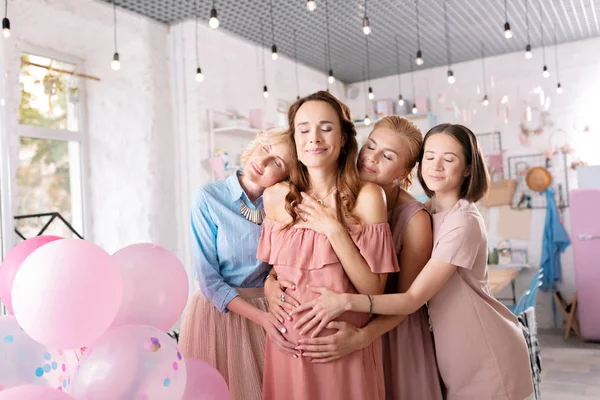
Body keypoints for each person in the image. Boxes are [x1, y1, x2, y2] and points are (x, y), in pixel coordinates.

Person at [292, 123, 534, 400]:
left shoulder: (457, 221)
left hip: (481, 348)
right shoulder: (429, 210)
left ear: (468, 168)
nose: (436, 166)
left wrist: (346, 304)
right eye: (430, 157)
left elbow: (412, 298)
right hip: (447, 344)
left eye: (449, 159)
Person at [265, 115, 444, 399]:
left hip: (391, 333)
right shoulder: (339, 197)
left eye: (387, 156)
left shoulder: (414, 222)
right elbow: (304, 257)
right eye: (370, 146)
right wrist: (272, 281)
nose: (371, 159)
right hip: (344, 330)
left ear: (404, 172)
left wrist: (363, 337)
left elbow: (409, 300)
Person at [257, 91, 399, 400]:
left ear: (345, 137)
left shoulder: (368, 197)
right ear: (294, 140)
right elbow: (274, 272)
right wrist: (269, 288)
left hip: (342, 351)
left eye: (326, 127)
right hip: (287, 351)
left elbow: (374, 291)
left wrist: (334, 230)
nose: (314, 138)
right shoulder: (275, 197)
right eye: (304, 129)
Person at [178, 128, 297, 400]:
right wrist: (262, 318)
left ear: (287, 175)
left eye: (278, 162)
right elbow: (208, 280)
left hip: (270, 307)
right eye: (266, 148)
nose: (264, 162)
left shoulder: (287, 204)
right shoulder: (209, 197)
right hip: (220, 315)